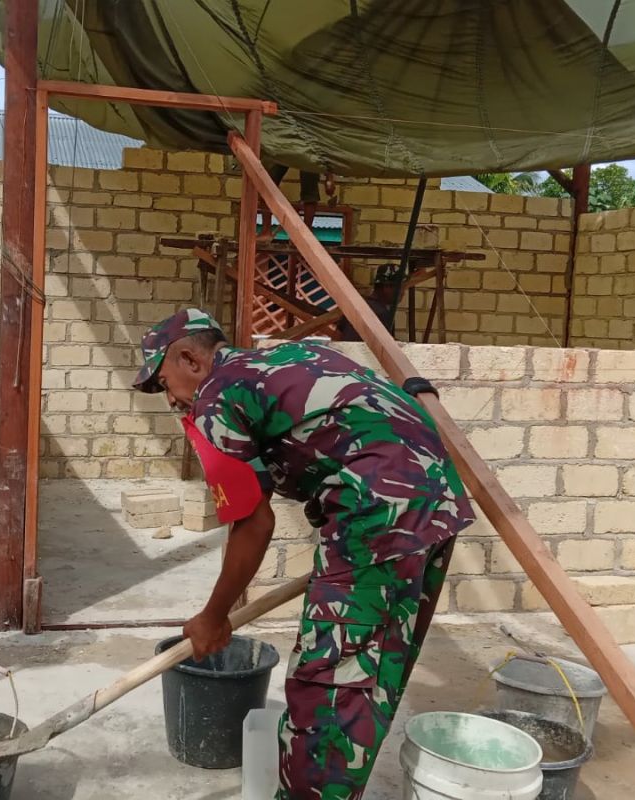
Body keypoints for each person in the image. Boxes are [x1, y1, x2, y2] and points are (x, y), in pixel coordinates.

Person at [132, 309, 474, 800]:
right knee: (374, 673)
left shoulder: (215, 398)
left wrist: (213, 616)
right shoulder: (296, 355)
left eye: (166, 383)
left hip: (374, 520)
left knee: (327, 691)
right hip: (437, 506)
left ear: (190, 358)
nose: (171, 400)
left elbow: (254, 522)